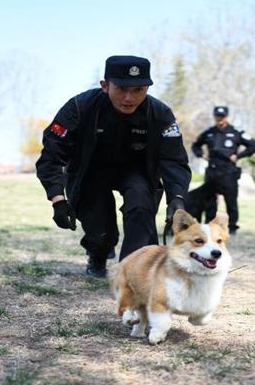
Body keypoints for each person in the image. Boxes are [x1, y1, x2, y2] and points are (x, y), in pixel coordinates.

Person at [36, 55, 191, 278]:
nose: (129, 98)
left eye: (138, 90)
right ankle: (97, 255)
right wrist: (57, 199)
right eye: (121, 89)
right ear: (105, 85)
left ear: (147, 87)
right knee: (101, 233)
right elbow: (52, 155)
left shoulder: (159, 114)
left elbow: (174, 160)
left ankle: (132, 274)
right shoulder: (80, 108)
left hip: (136, 171)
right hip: (91, 172)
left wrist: (177, 197)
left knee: (141, 208)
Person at [186, 106, 255, 235]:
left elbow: (254, 145)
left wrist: (239, 156)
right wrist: (201, 155)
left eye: (222, 116)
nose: (220, 118)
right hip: (212, 171)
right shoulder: (209, 132)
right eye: (217, 116)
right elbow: (195, 145)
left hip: (229, 172)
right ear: (214, 116)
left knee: (231, 201)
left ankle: (232, 227)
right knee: (209, 201)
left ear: (227, 116)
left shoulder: (236, 132)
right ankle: (210, 225)